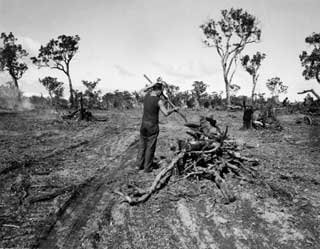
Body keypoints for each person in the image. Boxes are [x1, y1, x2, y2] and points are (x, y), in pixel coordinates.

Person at [136, 79, 179, 173]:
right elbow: (166, 113)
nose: (162, 92)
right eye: (161, 91)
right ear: (158, 90)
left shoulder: (146, 96)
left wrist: (150, 86)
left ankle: (139, 165)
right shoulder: (158, 101)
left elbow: (141, 91)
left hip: (143, 125)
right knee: (150, 147)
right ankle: (147, 168)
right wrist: (174, 109)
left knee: (142, 145)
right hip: (152, 126)